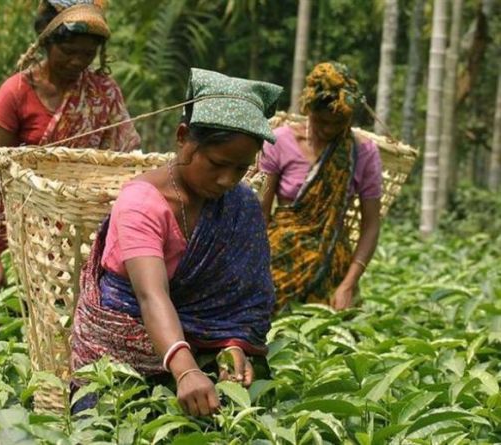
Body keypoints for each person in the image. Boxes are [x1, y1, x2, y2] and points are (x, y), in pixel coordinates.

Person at [70, 68, 282, 417]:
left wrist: (233, 347)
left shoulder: (240, 204)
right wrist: (186, 370)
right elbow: (150, 295)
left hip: (201, 345)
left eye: (241, 169)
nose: (228, 179)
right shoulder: (141, 203)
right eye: (217, 163)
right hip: (126, 349)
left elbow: (245, 298)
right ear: (183, 137)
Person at [0, 0, 140, 300]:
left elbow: (124, 163)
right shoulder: (17, 92)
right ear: (46, 42)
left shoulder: (104, 93)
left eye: (87, 54)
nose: (77, 62)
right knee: (3, 324)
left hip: (84, 235)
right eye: (68, 51)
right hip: (25, 236)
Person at [260, 62, 382, 311]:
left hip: (334, 264)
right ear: (309, 111)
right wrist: (256, 266)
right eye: (322, 122)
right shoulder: (280, 141)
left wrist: (348, 284)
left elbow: (371, 224)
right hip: (280, 258)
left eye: (338, 123)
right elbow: (261, 213)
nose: (329, 130)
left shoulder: (363, 152)